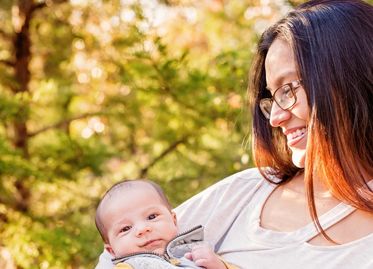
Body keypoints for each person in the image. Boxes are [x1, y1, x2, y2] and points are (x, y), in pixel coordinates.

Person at [95, 0, 373, 268]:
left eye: (288, 89)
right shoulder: (248, 190)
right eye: (271, 98)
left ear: (351, 78)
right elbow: (118, 256)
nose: (275, 118)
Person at [95, 179, 235, 269]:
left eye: (152, 216)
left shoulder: (198, 251)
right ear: (111, 250)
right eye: (126, 228)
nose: (143, 229)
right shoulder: (128, 267)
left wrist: (220, 266)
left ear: (173, 220)